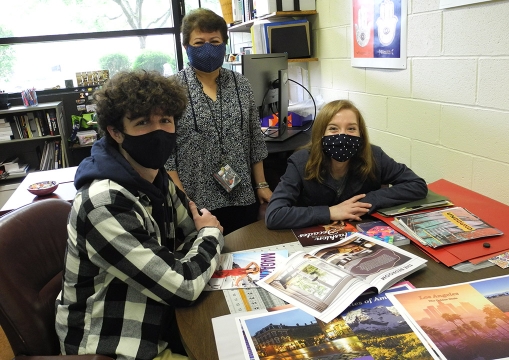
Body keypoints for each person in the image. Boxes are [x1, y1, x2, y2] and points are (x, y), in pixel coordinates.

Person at [55, 70, 224, 360]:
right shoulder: (103, 203)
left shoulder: (156, 178)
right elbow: (183, 285)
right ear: (116, 132)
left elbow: (189, 235)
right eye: (143, 122)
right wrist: (211, 234)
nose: (158, 132)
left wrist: (192, 250)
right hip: (117, 344)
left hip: (164, 319)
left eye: (165, 121)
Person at [165, 8, 271, 235]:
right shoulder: (171, 90)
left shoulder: (241, 84)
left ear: (224, 44)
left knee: (243, 257)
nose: (207, 48)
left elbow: (255, 139)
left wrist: (261, 184)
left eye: (214, 41)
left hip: (241, 194)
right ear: (185, 47)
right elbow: (167, 154)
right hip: (195, 200)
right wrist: (182, 199)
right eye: (199, 42)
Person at [265, 99, 428, 230]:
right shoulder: (300, 162)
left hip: (360, 233)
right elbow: (274, 215)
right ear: (320, 134)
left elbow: (417, 185)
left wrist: (369, 200)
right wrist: (330, 212)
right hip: (312, 235)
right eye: (333, 129)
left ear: (360, 134)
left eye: (351, 129)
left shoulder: (374, 155)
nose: (343, 135)